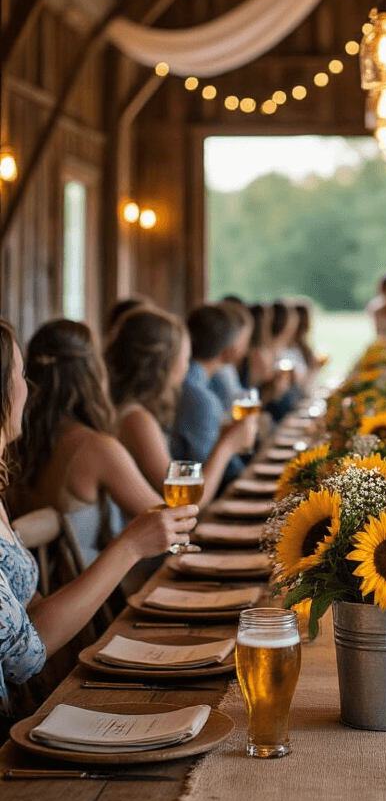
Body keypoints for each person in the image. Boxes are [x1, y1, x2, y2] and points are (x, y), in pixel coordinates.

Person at [0, 318, 195, 714]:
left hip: (56, 653)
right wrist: (129, 547)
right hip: (66, 656)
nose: (28, 386)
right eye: (20, 374)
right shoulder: (97, 445)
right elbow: (23, 656)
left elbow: (29, 612)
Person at [16, 320, 168, 565]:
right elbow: (167, 526)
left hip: (41, 589)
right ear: (91, 371)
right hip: (97, 593)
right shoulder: (97, 448)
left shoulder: (16, 441)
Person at [106, 304, 251, 507]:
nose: (187, 367)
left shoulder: (134, 410)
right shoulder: (136, 419)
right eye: (184, 358)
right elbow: (185, 503)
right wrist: (226, 446)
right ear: (164, 365)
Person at [171, 304, 256, 486]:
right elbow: (204, 478)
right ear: (230, 348)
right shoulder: (200, 397)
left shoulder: (202, 385)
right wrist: (230, 443)